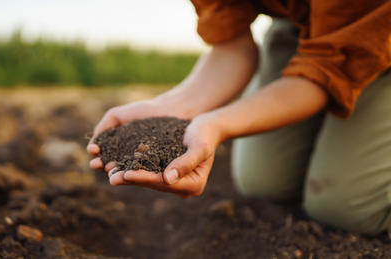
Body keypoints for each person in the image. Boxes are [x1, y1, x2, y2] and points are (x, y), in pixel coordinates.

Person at [87, 0, 391, 234]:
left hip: (377, 27)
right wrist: (174, 108)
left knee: (344, 209)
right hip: (302, 26)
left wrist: (217, 124)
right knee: (264, 183)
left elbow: (323, 73)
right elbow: (232, 46)